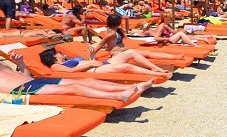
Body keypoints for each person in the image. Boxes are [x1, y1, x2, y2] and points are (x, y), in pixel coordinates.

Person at [1, 52, 151, 102]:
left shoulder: (4, 65)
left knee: (88, 80)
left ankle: (133, 87)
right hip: (21, 90)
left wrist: (21, 64)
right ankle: (118, 96)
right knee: (75, 88)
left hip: (33, 80)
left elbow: (24, 75)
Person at [90, 13, 184, 61]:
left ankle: (173, 57)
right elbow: (101, 43)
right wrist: (92, 54)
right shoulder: (110, 33)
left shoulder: (116, 30)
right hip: (117, 54)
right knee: (146, 54)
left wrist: (127, 21)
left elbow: (127, 30)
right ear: (117, 22)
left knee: (147, 52)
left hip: (124, 51)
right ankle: (173, 58)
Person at [39, 48, 171, 79]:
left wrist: (91, 58)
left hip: (100, 64)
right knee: (128, 67)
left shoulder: (67, 61)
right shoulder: (55, 66)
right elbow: (71, 72)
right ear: (54, 56)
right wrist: (91, 65)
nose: (61, 53)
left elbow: (83, 62)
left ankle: (156, 68)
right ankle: (157, 74)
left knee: (130, 52)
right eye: (59, 52)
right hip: (94, 70)